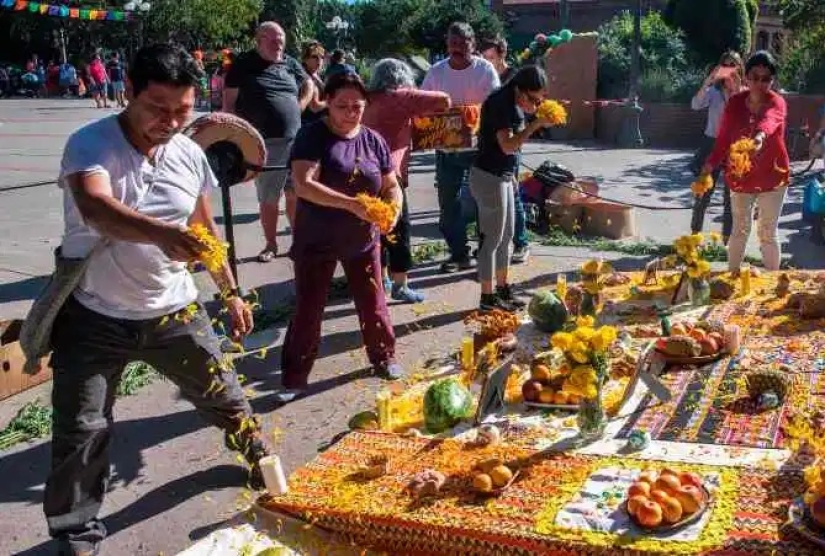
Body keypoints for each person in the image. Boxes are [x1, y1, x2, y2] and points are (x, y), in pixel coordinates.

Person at [43, 44, 271, 556]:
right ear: (128, 93)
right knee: (81, 427)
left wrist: (230, 291)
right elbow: (96, 208)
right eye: (157, 108)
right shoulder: (90, 144)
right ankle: (75, 531)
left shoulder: (190, 154)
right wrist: (159, 234)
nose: (170, 122)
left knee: (223, 392)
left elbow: (204, 227)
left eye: (182, 111)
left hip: (174, 308)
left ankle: (258, 454)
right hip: (95, 313)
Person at [279, 72, 405, 403]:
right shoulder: (312, 136)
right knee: (309, 307)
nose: (350, 112)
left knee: (373, 301)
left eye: (357, 106)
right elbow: (303, 184)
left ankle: (384, 357)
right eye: (342, 106)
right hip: (316, 237)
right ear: (327, 104)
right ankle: (294, 378)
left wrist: (393, 209)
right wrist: (353, 205)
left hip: (363, 238)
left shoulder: (373, 140)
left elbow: (391, 184)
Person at [223, 21, 314, 263]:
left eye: (282, 40)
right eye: (273, 40)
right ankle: (271, 244)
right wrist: (241, 138)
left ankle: (298, 241)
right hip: (264, 143)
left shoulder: (290, 62)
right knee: (269, 198)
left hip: (296, 141)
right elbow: (229, 105)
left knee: (295, 193)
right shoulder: (243, 65)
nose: (279, 45)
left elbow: (309, 84)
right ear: (259, 40)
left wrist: (300, 105)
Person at [363, 58, 451, 303]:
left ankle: (379, 282)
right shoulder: (400, 97)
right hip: (390, 176)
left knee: (376, 231)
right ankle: (400, 285)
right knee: (399, 230)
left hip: (364, 174)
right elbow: (444, 100)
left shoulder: (369, 99)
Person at [471, 66, 553, 311]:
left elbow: (510, 152)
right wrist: (534, 125)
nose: (537, 105)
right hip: (488, 176)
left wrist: (513, 176)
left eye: (541, 100)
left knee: (507, 238)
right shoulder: (500, 103)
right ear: (519, 90)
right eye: (534, 99)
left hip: (504, 175)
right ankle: (487, 298)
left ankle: (503, 289)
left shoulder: (515, 103)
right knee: (492, 239)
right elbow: (507, 146)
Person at [422, 22, 500, 273]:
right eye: (452, 43)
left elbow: (495, 104)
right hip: (446, 150)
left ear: (472, 45)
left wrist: (470, 117)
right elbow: (422, 102)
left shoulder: (485, 70)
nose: (456, 48)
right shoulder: (436, 72)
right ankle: (458, 254)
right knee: (448, 202)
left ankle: (486, 250)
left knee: (483, 200)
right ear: (447, 44)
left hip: (479, 149)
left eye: (462, 43)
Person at [702, 50, 789, 273]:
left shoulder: (777, 102)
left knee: (767, 232)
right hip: (740, 175)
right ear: (746, 77)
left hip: (773, 175)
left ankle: (772, 284)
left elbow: (770, 121)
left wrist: (758, 138)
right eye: (755, 77)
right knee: (739, 229)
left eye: (766, 78)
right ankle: (732, 276)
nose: (760, 83)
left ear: (773, 80)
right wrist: (710, 165)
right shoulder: (735, 103)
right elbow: (723, 139)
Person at [479, 35, 532, 264]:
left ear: (502, 55)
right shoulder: (484, 75)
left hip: (509, 140)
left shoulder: (513, 77)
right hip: (490, 143)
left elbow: (524, 110)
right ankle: (491, 245)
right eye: (484, 58)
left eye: (491, 57)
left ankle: (521, 242)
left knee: (512, 191)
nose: (487, 62)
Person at [690, 51, 744, 243]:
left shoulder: (744, 92)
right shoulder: (713, 92)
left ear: (740, 68)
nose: (730, 68)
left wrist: (736, 91)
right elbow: (695, 104)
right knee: (703, 192)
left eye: (734, 64)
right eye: (726, 64)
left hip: (734, 148)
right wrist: (708, 82)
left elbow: (744, 117)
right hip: (712, 144)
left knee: (731, 198)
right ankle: (695, 237)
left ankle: (727, 241)